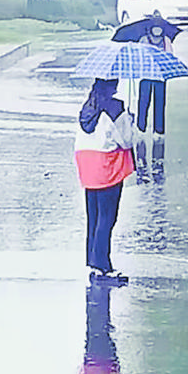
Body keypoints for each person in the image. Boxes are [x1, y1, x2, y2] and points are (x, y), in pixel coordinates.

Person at [74, 78, 136, 283]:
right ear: (113, 85)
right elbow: (126, 140)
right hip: (107, 167)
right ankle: (103, 266)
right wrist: (128, 118)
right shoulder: (114, 107)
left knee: (94, 216)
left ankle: (93, 261)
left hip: (87, 167)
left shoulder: (87, 106)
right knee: (107, 218)